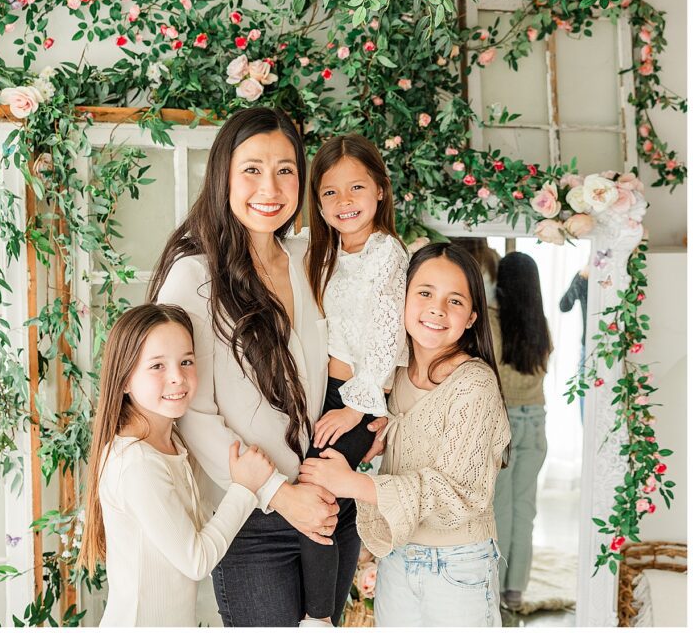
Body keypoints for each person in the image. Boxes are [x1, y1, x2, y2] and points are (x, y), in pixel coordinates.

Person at [148, 107, 387, 626]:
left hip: (331, 500)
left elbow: (368, 332)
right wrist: (280, 494)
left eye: (285, 170)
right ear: (223, 177)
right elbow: (190, 412)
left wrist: (377, 409)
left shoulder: (310, 258)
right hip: (253, 519)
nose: (270, 187)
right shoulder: (194, 276)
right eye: (252, 169)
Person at [297, 243, 511, 627]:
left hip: (458, 563)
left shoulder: (473, 384)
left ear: (472, 317)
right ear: (403, 299)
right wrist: (370, 451)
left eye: (455, 301)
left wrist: (354, 483)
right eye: (425, 293)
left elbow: (458, 493)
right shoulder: (391, 377)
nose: (437, 309)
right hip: (397, 554)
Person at [79, 303, 276, 626]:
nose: (177, 378)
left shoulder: (173, 445)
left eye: (186, 361)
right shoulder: (137, 464)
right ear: (125, 380)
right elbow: (196, 560)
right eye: (157, 366)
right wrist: (244, 489)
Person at [299, 133, 408, 626]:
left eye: (356, 188)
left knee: (319, 494)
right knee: (335, 507)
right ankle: (328, 612)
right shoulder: (320, 252)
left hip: (355, 399)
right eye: (330, 192)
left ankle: (320, 618)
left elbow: (388, 339)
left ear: (380, 191)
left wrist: (357, 409)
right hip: (319, 395)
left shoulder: (387, 253)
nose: (345, 202)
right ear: (317, 200)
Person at [490, 252, 553, 612]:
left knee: (501, 507)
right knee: (525, 508)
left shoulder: (495, 321)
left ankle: (495, 586)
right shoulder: (540, 322)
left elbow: (493, 370)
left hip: (507, 422)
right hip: (537, 420)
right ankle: (515, 591)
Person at [559, 267, 589, 422]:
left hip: (610, 346)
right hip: (587, 347)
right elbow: (564, 305)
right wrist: (580, 278)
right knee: (585, 396)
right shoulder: (582, 278)